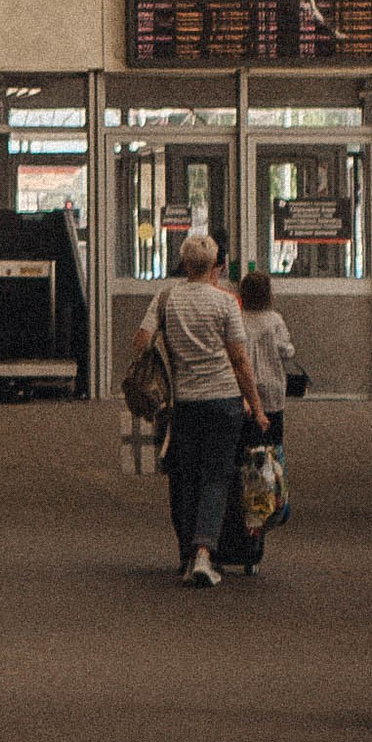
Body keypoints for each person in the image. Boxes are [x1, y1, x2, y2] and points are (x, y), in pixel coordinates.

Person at [140, 231, 262, 588]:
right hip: (224, 402)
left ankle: (185, 555)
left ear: (183, 263)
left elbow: (141, 341)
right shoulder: (226, 304)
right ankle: (205, 553)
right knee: (216, 476)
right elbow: (240, 361)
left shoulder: (166, 298)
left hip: (185, 403)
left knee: (184, 477)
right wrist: (256, 407)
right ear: (215, 266)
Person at [217, 266, 297, 574]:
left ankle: (228, 539)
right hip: (272, 399)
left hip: (242, 397)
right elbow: (286, 351)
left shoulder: (236, 319)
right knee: (266, 466)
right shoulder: (274, 320)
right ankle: (256, 540)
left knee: (238, 465)